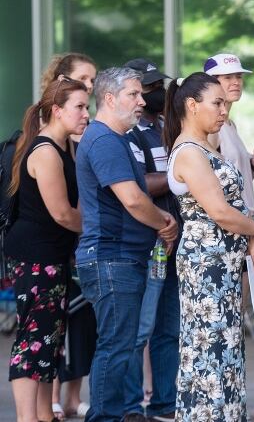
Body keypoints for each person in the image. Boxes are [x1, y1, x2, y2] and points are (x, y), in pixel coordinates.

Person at [74, 67, 179, 422]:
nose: (142, 101)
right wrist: (164, 223)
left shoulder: (115, 138)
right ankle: (103, 417)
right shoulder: (104, 139)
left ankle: (111, 415)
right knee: (116, 347)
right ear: (108, 98)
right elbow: (133, 199)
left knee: (121, 345)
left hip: (121, 257)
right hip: (111, 258)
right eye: (133, 94)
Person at [164, 72, 254, 421]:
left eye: (225, 103)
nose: (224, 110)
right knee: (208, 349)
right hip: (205, 263)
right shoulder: (189, 151)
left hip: (221, 261)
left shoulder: (208, 145)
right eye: (217, 103)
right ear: (192, 106)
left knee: (225, 349)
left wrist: (249, 236)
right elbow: (221, 212)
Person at [6, 78, 88, 422]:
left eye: (87, 106)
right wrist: (97, 227)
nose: (87, 114)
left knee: (49, 339)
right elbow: (63, 213)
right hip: (36, 257)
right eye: (80, 107)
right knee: (33, 339)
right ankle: (28, 417)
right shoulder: (45, 151)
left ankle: (41, 414)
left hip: (50, 256)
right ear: (57, 111)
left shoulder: (63, 147)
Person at [39, 53, 98, 421]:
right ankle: (53, 399)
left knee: (81, 322)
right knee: (51, 326)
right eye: (83, 81)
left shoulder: (81, 132)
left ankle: (73, 395)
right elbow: (59, 207)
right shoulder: (48, 138)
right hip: (55, 242)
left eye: (93, 81)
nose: (90, 88)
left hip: (77, 241)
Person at [121, 58, 179, 422]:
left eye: (159, 86)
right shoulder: (127, 134)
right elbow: (138, 183)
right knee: (139, 330)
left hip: (175, 239)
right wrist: (181, 174)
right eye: (151, 87)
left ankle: (164, 404)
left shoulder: (164, 127)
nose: (158, 94)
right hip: (150, 239)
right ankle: (129, 408)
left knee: (168, 329)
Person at [203, 53, 254, 216]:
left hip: (240, 219)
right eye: (227, 77)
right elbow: (205, 179)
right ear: (211, 82)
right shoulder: (212, 125)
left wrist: (253, 162)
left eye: (239, 76)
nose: (236, 82)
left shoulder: (230, 125)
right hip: (228, 222)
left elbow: (236, 180)